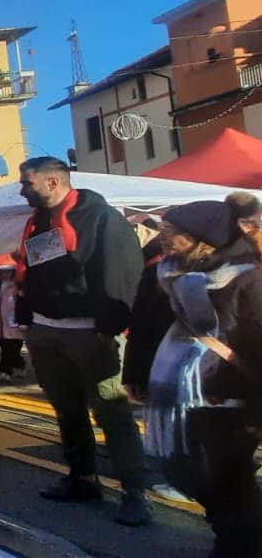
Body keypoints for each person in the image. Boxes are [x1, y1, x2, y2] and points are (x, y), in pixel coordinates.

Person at [13, 156, 150, 526]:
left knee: (111, 412)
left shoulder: (102, 218)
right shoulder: (39, 221)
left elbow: (123, 273)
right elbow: (35, 271)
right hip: (45, 331)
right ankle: (82, 478)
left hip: (90, 334)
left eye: (28, 183)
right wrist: (27, 319)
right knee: (67, 409)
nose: (22, 189)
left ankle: (134, 492)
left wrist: (110, 327)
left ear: (53, 183)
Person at [136, 197, 262, 555]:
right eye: (162, 229)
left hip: (229, 393)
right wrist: (138, 370)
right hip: (183, 390)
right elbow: (150, 322)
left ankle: (239, 545)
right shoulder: (170, 273)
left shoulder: (248, 278)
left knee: (230, 478)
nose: (163, 237)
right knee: (196, 473)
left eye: (172, 232)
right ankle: (230, 536)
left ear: (202, 237)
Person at [0, 256, 27, 382]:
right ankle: (19, 364)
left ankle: (4, 370)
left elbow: (23, 303)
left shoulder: (18, 287)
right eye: (3, 271)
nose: (5, 273)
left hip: (15, 324)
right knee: (7, 348)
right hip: (0, 324)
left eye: (8, 270)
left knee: (10, 350)